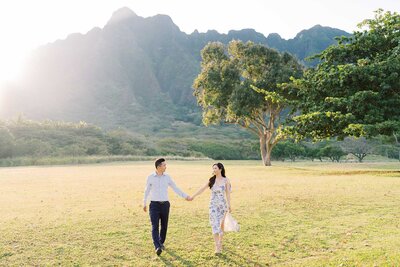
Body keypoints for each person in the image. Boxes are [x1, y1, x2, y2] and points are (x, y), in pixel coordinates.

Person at [143, 158, 192, 256]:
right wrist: (144, 203)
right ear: (158, 166)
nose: (166, 167)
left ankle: (161, 242)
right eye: (164, 165)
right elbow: (147, 190)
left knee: (164, 226)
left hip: (165, 205)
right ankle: (157, 246)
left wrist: (185, 196)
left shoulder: (167, 177)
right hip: (154, 205)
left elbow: (175, 188)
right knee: (155, 226)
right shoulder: (150, 177)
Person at [190, 162, 232, 254]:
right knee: (214, 225)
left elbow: (228, 194)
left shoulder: (226, 180)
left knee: (221, 225)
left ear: (220, 169)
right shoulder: (211, 180)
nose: (214, 170)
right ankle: (217, 246)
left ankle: (220, 242)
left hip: (222, 206)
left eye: (215, 168)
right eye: (213, 168)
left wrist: (229, 205)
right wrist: (193, 196)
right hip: (213, 206)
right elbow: (202, 189)